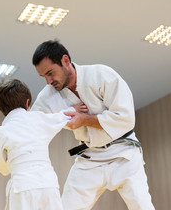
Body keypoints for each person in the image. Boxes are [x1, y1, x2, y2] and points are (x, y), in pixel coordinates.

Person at [31, 40, 155, 210]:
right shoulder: (47, 96)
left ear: (65, 61)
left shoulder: (101, 75)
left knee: (142, 206)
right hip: (90, 157)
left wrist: (84, 119)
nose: (48, 81)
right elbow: (34, 124)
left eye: (50, 73)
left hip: (124, 154)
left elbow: (125, 118)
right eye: (43, 76)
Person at [0, 79, 87, 210]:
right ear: (27, 102)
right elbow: (60, 117)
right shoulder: (38, 118)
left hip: (22, 186)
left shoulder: (1, 132)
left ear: (2, 109)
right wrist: (73, 109)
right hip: (48, 184)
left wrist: (8, 168)